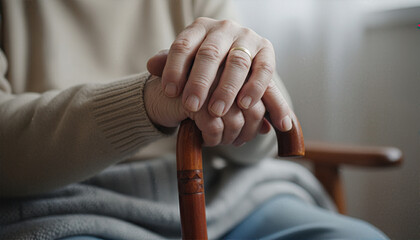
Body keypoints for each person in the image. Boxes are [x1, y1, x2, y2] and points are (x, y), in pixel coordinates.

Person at [0, 0, 388, 239]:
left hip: (231, 197)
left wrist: (243, 91)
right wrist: (148, 102)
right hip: (65, 208)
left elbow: (264, 140)